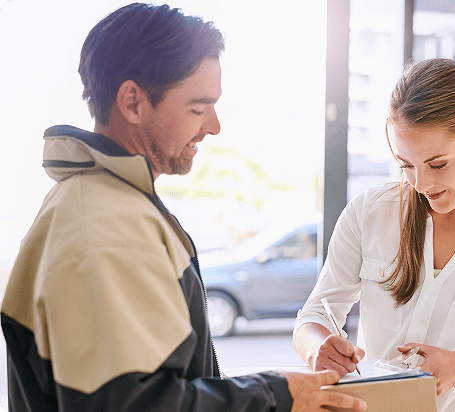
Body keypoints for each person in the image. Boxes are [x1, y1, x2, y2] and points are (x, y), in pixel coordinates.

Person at [0, 3, 367, 412]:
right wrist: (275, 395)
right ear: (133, 102)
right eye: (198, 107)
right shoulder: (105, 227)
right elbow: (133, 405)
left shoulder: (98, 201)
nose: (214, 125)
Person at [293, 58, 455, 411]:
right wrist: (318, 346)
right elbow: (314, 315)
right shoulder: (368, 213)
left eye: (438, 164)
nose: (421, 184)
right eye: (406, 165)